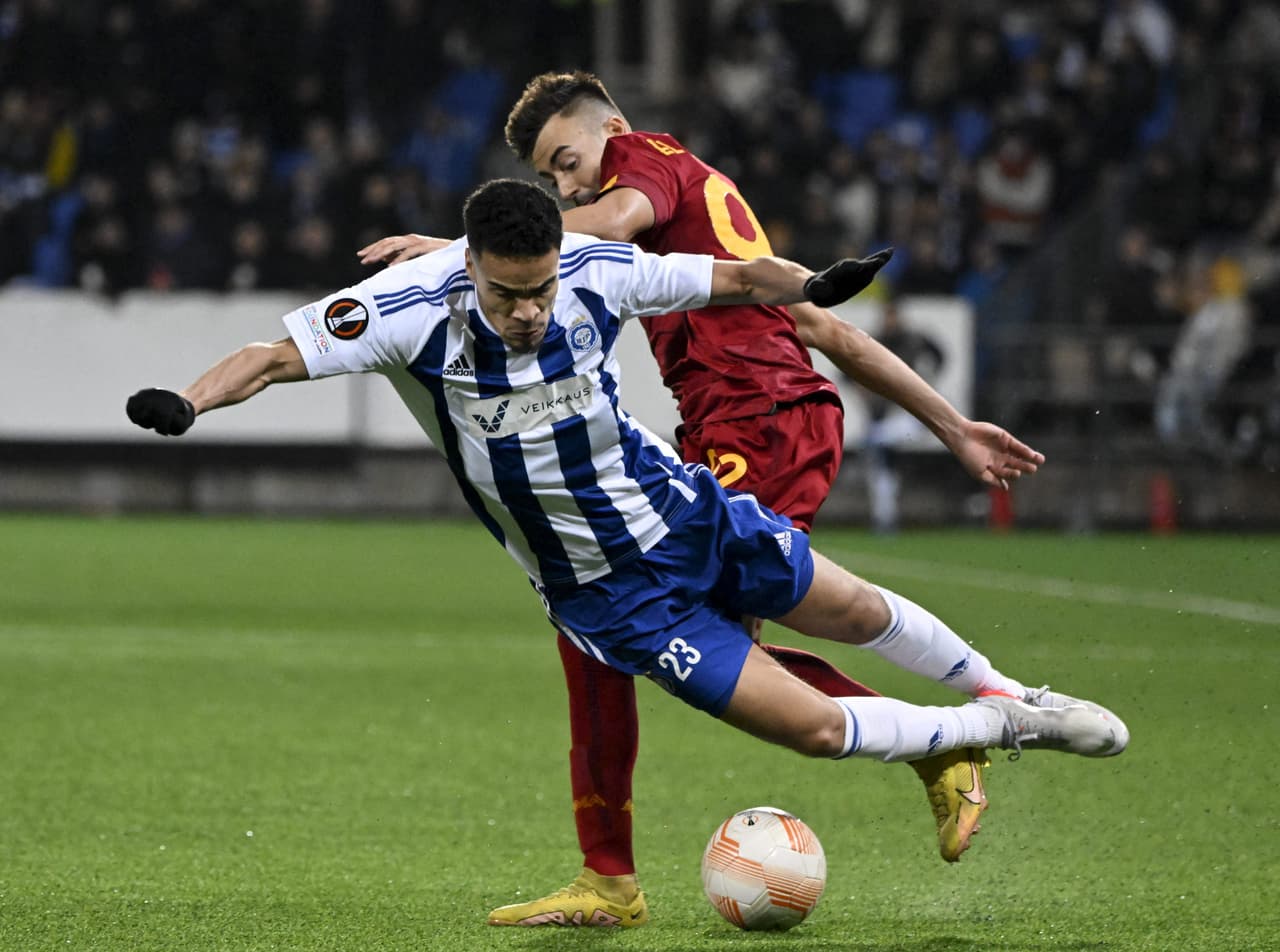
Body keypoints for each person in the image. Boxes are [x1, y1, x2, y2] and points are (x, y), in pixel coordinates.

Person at [129, 179, 1128, 927]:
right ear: (467, 265)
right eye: (510, 294)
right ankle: (1003, 731)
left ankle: (1007, 694)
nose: (530, 310)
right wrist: (188, 401)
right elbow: (269, 355)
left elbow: (734, 275)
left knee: (857, 612)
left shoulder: (592, 269)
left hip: (686, 511)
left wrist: (813, 281)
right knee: (816, 731)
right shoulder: (406, 305)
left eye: (540, 289)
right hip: (611, 598)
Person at [357, 72, 1057, 927]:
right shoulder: (702, 221)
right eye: (549, 182)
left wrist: (466, 251)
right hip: (741, 429)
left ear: (609, 127)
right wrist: (952, 425)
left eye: (566, 162)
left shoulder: (645, 162)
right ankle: (609, 875)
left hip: (755, 427)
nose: (568, 186)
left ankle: (937, 749)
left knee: (656, 631)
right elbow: (825, 328)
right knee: (609, 628)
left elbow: (609, 221)